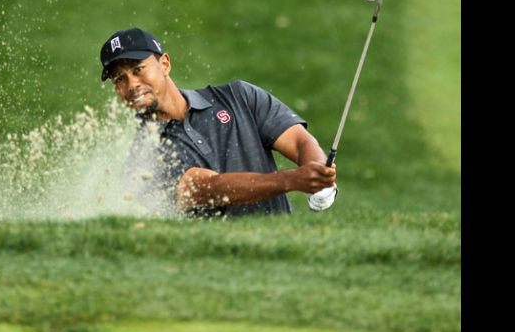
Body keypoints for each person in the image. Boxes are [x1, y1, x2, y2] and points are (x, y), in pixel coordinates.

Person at [99, 27, 338, 218]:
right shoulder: (142, 161)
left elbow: (298, 141)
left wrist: (319, 175)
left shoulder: (238, 96)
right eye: (120, 79)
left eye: (138, 69)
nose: (132, 85)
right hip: (218, 270)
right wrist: (292, 180)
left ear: (165, 64)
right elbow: (210, 188)